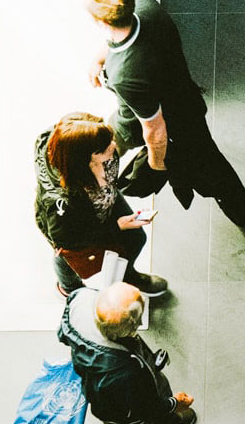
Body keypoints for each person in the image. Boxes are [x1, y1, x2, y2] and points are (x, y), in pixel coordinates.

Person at [83, 0, 245, 238]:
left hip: (164, 126)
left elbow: (155, 130)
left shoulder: (126, 75)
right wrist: (99, 59)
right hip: (185, 102)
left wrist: (157, 163)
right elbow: (118, 41)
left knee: (211, 171)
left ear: (101, 21)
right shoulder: (147, 6)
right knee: (213, 165)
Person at [54, 281, 196, 424]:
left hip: (109, 382)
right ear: (128, 330)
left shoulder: (81, 301)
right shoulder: (125, 372)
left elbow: (63, 333)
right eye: (138, 321)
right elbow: (146, 408)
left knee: (155, 390)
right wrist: (175, 403)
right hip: (125, 417)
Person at [35, 112, 168, 299]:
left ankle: (127, 275)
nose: (113, 145)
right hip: (74, 227)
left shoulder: (86, 145)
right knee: (69, 258)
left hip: (104, 199)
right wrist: (117, 226)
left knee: (136, 238)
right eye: (105, 147)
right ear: (85, 159)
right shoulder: (61, 202)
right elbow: (70, 240)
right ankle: (69, 287)